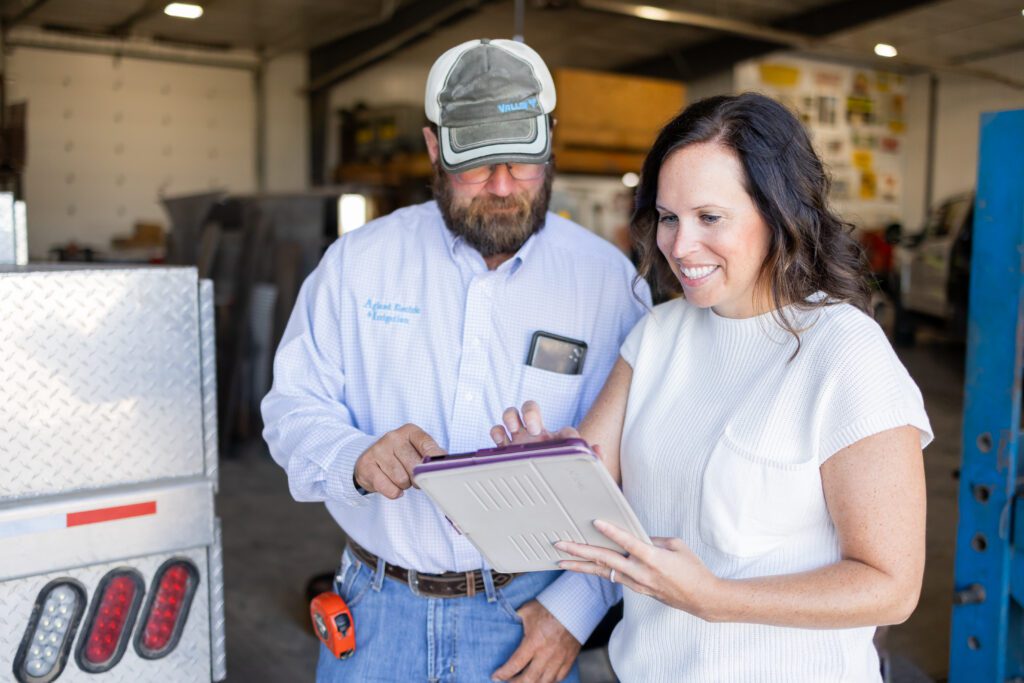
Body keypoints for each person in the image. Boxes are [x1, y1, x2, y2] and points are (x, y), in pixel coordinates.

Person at [490, 92, 932, 681]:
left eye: (710, 218)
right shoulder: (658, 334)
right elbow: (589, 489)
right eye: (669, 217)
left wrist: (717, 598)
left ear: (779, 213)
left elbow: (890, 588)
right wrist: (542, 468)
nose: (679, 245)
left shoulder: (844, 351)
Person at [261, 38, 649, 683]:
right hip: (376, 612)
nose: (502, 187)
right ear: (434, 147)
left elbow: (640, 468)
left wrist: (574, 612)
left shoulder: (610, 285)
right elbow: (292, 408)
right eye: (478, 166)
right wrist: (353, 458)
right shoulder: (357, 265)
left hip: (528, 618)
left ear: (550, 141)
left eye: (522, 164)